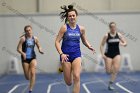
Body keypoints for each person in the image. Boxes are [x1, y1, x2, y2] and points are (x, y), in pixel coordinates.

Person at [55, 5, 95, 93]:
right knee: (69, 82)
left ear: (76, 16)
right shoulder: (64, 28)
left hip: (77, 54)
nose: (72, 17)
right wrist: (61, 54)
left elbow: (84, 40)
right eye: (70, 16)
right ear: (67, 17)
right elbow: (57, 42)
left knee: (77, 76)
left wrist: (89, 46)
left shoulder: (81, 29)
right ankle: (64, 71)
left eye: (73, 15)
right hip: (66, 56)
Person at [100, 22, 127, 90]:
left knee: (116, 69)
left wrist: (123, 44)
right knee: (108, 71)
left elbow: (125, 43)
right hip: (108, 54)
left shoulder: (119, 35)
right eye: (112, 27)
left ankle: (111, 83)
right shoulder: (107, 35)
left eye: (114, 27)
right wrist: (102, 54)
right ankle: (109, 69)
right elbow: (101, 45)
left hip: (116, 54)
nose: (113, 28)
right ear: (110, 28)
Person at [17, 25, 44, 93]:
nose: (28, 32)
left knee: (33, 73)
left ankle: (30, 90)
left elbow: (39, 45)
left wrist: (40, 50)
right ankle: (28, 75)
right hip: (25, 59)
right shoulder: (23, 39)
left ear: (31, 30)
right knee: (27, 77)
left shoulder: (35, 38)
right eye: (27, 31)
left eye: (29, 30)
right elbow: (18, 49)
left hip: (32, 57)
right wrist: (23, 53)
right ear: (25, 32)